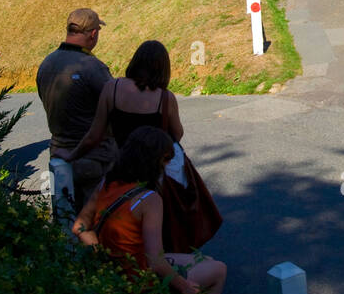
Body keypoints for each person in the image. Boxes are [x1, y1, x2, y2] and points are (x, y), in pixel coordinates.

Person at [57, 40, 222, 253]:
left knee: (123, 219)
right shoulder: (165, 98)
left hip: (124, 166)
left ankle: (121, 262)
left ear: (135, 61)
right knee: (166, 223)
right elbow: (177, 134)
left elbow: (94, 135)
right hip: (158, 170)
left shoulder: (112, 89)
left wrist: (71, 155)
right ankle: (170, 267)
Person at [72, 125, 226, 294]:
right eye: (167, 159)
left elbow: (79, 227)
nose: (167, 165)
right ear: (156, 162)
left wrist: (103, 254)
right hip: (140, 279)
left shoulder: (106, 183)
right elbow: (155, 261)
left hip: (114, 270)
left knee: (206, 259)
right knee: (219, 270)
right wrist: (184, 286)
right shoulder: (149, 199)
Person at [36, 9, 113, 224]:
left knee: (65, 219)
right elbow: (115, 108)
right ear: (93, 34)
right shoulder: (93, 67)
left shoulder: (47, 64)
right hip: (94, 157)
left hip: (59, 152)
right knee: (97, 224)